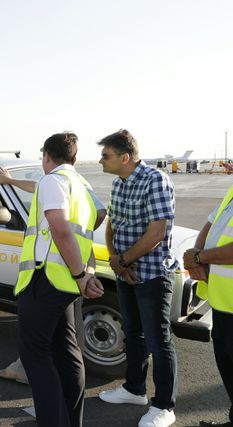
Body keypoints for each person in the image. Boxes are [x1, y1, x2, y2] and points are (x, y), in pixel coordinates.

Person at [15, 132, 104, 427]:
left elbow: (61, 230)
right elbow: (99, 215)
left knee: (35, 355)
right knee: (66, 353)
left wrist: (81, 274)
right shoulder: (82, 184)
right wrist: (84, 269)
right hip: (65, 282)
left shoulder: (52, 180)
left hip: (46, 280)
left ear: (46, 156)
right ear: (75, 158)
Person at [0, 166, 107, 385]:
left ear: (48, 157)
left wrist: (72, 236)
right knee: (68, 329)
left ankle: (31, 374)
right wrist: (11, 181)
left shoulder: (57, 182)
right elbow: (99, 212)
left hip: (55, 270)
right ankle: (62, 379)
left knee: (42, 334)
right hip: (74, 264)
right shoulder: (76, 182)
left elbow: (64, 226)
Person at [97, 129, 177, 427]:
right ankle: (134, 389)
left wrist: (124, 260)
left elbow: (157, 232)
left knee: (158, 339)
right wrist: (116, 261)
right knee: (133, 333)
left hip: (153, 273)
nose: (101, 160)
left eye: (106, 155)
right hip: (125, 271)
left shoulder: (155, 180)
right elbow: (111, 227)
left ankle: (165, 406)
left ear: (125, 157)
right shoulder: (119, 184)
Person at [183, 186, 233, 427]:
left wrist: (199, 258)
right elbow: (209, 224)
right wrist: (197, 254)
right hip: (223, 302)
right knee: (226, 363)